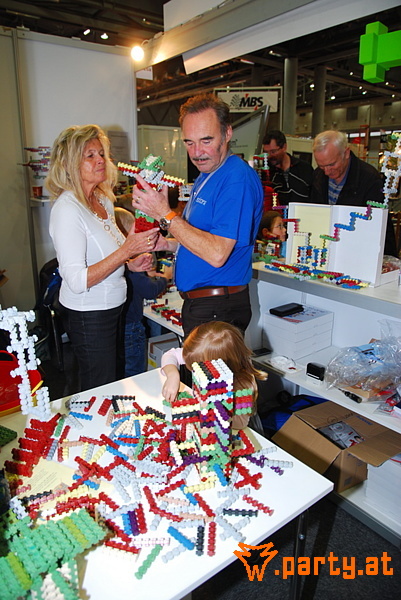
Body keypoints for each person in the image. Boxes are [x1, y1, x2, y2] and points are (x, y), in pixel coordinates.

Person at [132, 93, 264, 338]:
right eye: (189, 142)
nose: (196, 152)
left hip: (217, 308)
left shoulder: (236, 179)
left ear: (227, 133)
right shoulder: (208, 175)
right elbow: (202, 239)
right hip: (205, 305)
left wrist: (165, 214)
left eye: (206, 140)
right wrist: (169, 244)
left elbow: (217, 253)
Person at [47, 124, 159, 392]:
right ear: (69, 163)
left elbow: (110, 254)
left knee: (114, 380)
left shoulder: (102, 199)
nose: (100, 160)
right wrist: (126, 252)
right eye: (90, 155)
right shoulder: (67, 209)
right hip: (90, 315)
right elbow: (76, 280)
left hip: (114, 308)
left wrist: (130, 264)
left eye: (101, 154)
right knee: (99, 388)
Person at [161, 321, 267, 430]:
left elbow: (240, 424)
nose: (193, 370)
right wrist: (173, 375)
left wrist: (201, 410)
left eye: (197, 367)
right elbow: (170, 355)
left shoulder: (242, 385)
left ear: (219, 366)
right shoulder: (201, 354)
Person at [310, 130, 397, 256]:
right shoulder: (318, 176)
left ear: (346, 153)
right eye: (321, 166)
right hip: (328, 249)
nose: (327, 172)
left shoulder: (369, 179)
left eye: (331, 164)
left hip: (359, 251)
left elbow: (379, 227)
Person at [115, 207, 173, 376]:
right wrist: (165, 278)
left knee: (124, 365)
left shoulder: (119, 260)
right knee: (135, 368)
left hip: (119, 323)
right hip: (131, 326)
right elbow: (149, 290)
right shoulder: (130, 259)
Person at [262, 130, 313, 205]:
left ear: (284, 147)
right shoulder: (265, 173)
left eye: (273, 151)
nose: (269, 156)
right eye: (266, 152)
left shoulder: (304, 169)